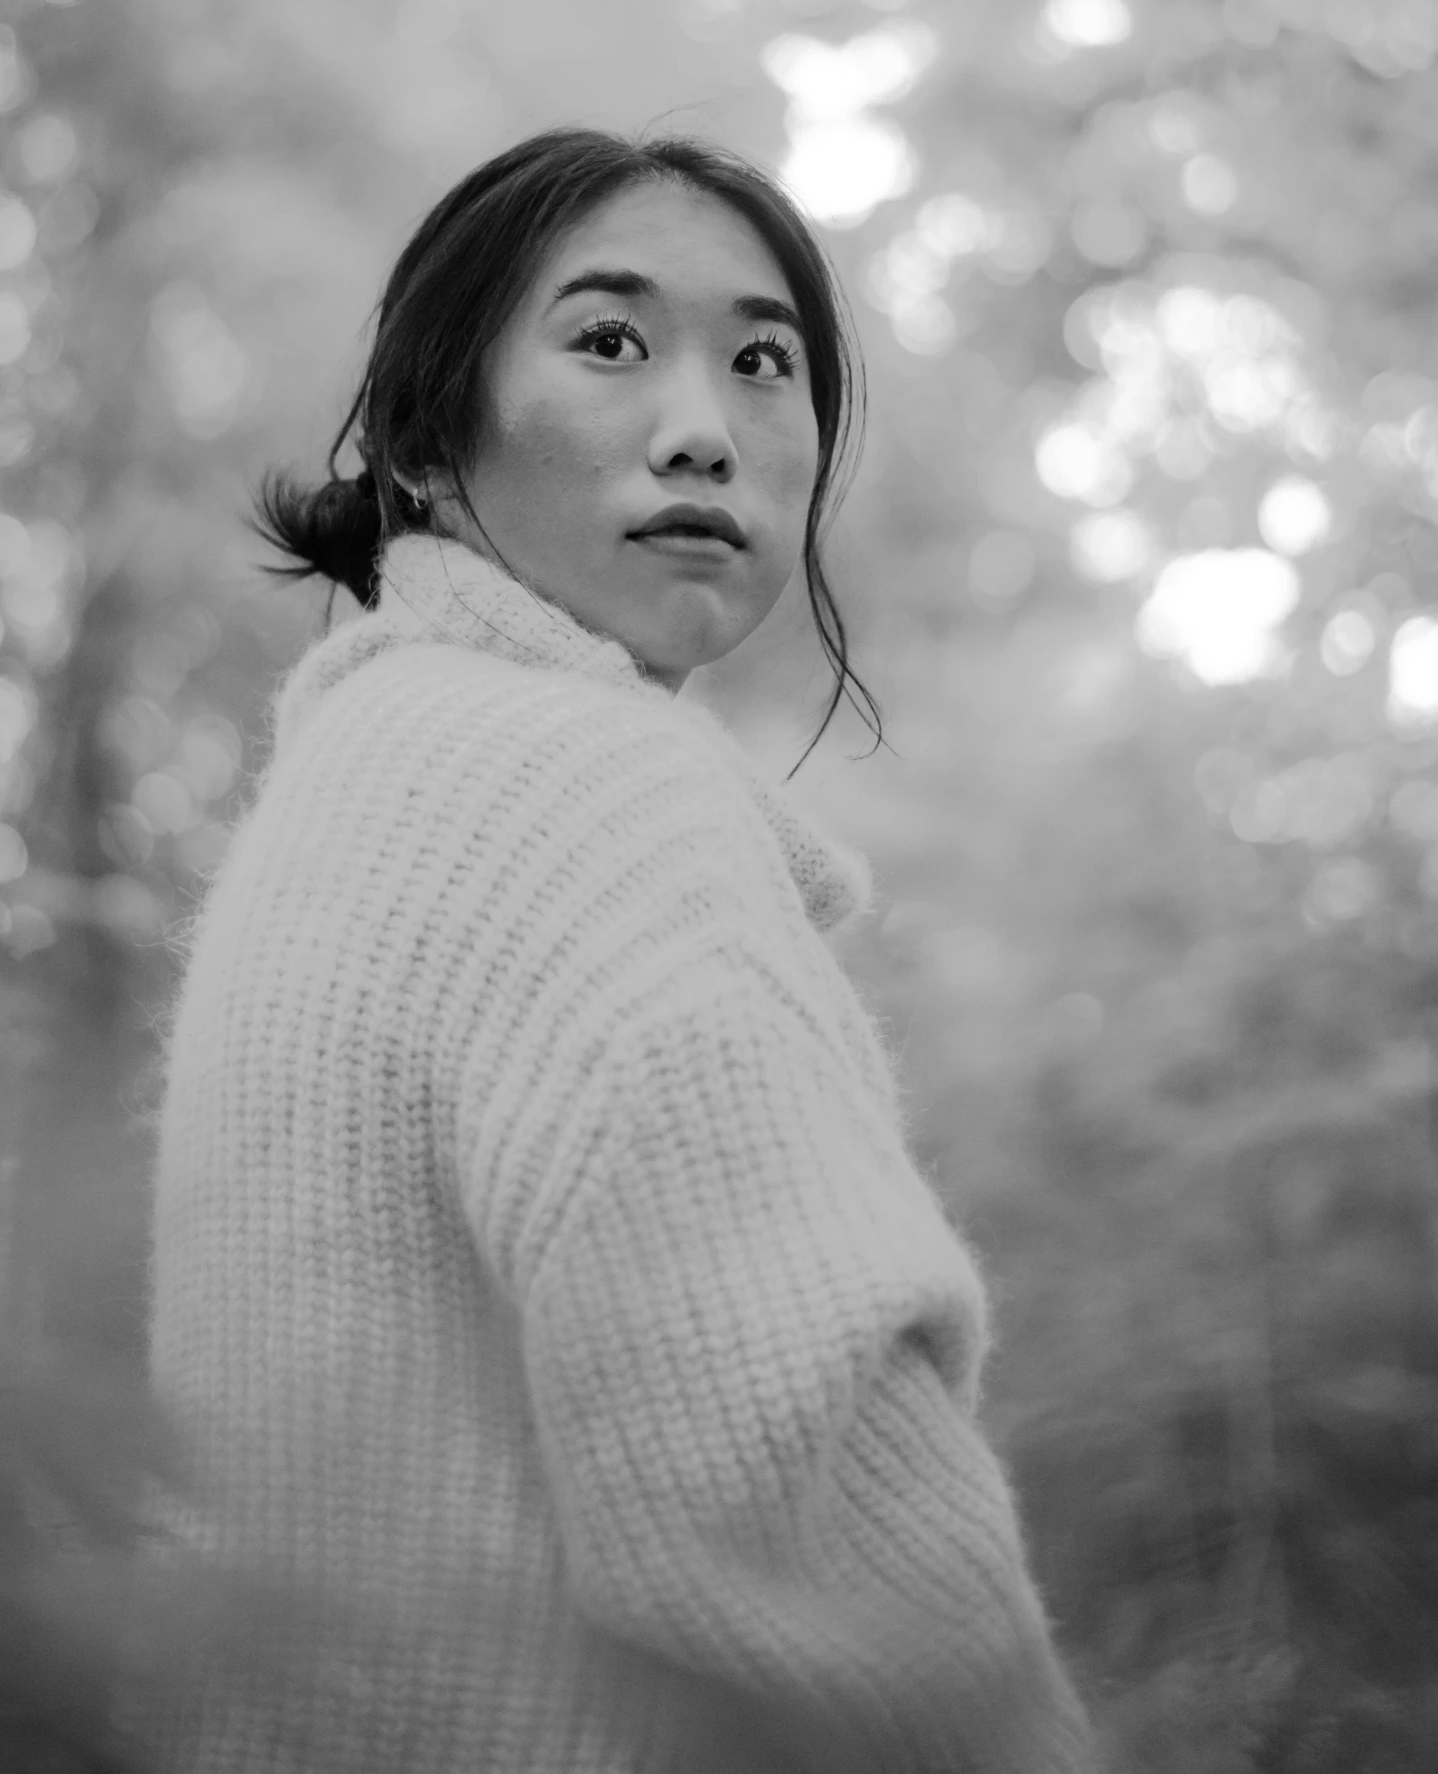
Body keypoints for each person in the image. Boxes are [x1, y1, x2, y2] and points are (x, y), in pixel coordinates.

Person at [148, 127, 1095, 1774]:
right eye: (607, 341)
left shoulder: (364, 776)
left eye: (762, 364)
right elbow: (800, 1477)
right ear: (427, 440)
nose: (703, 432)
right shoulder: (584, 791)